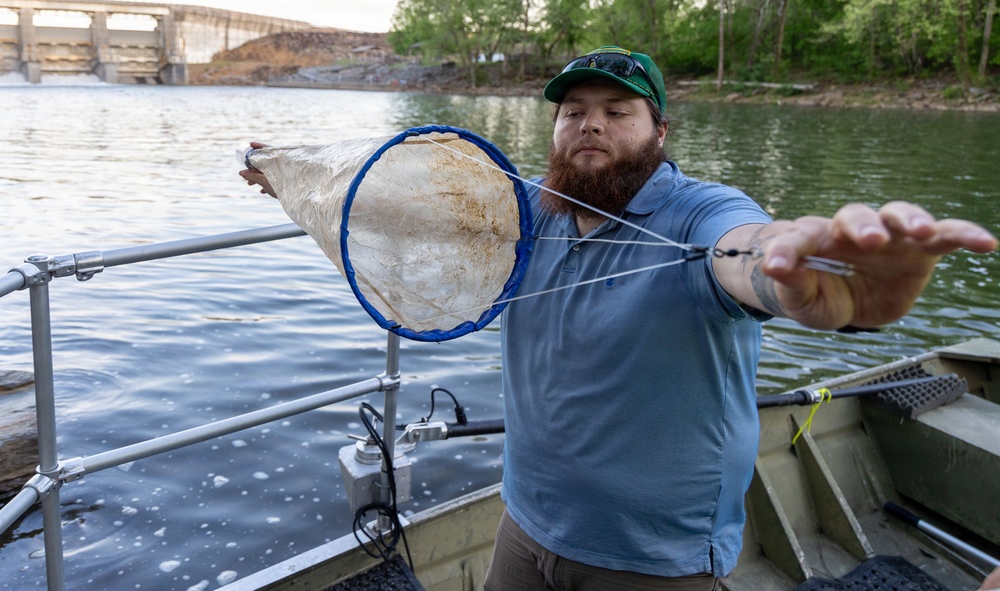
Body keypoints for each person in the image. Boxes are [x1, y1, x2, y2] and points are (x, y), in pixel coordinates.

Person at [240, 45, 997, 590]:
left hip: (652, 563)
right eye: (573, 112)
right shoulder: (527, 216)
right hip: (524, 527)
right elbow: (399, 210)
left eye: (616, 111)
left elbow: (743, 253)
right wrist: (294, 180)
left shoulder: (700, 210)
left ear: (660, 131)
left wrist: (795, 271)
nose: (590, 125)